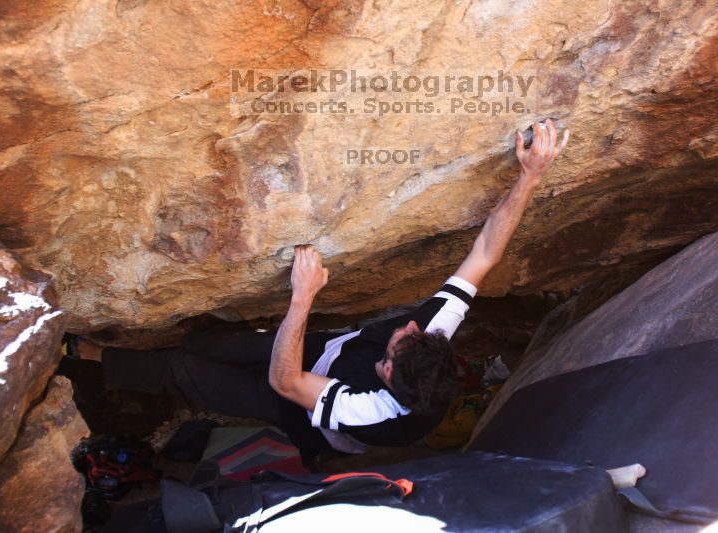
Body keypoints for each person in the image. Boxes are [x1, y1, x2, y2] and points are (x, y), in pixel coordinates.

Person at [70, 120, 569, 465]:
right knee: (206, 346)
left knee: (188, 372)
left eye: (401, 341)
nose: (408, 326)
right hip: (322, 351)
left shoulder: (374, 411)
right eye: (416, 331)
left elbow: (287, 382)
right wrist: (532, 175)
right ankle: (167, 354)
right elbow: (485, 254)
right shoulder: (429, 336)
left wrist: (302, 298)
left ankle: (92, 357)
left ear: (386, 373)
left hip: (297, 402)